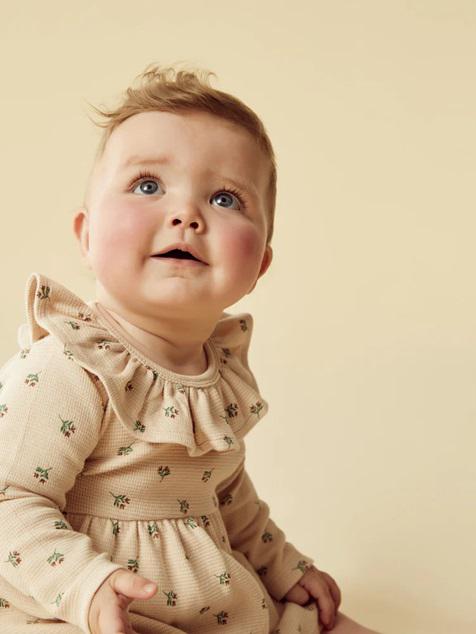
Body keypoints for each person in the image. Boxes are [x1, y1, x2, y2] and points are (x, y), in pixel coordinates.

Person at [0, 65, 380, 634]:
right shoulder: (70, 366)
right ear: (86, 236)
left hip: (211, 606)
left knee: (335, 625)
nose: (186, 215)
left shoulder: (218, 379)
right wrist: (85, 585)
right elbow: (8, 500)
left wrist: (280, 565)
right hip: (74, 606)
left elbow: (226, 495)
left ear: (260, 265)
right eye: (147, 186)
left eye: (225, 198)